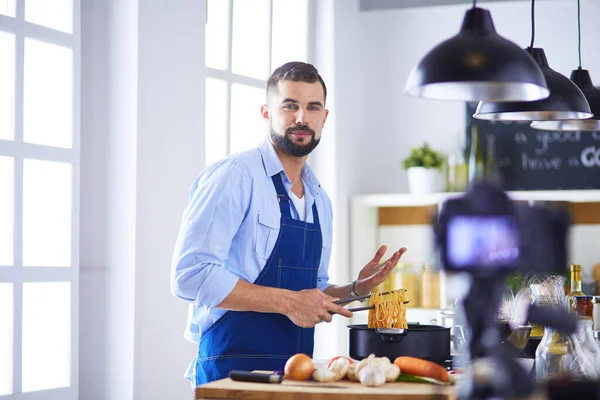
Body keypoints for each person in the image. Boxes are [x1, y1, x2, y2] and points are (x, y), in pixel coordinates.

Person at [170, 61, 407, 386]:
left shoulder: (319, 200)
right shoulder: (236, 176)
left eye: (312, 107)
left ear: (324, 118)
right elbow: (190, 276)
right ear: (267, 112)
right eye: (290, 106)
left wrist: (356, 290)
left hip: (295, 375)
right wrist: (288, 302)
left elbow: (314, 290)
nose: (301, 118)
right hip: (229, 372)